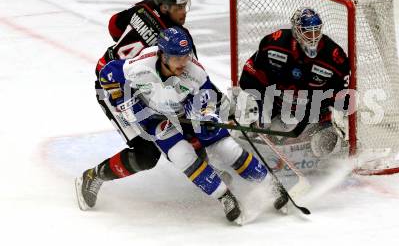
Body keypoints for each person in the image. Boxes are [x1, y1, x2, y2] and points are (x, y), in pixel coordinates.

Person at [76, 27, 289, 223]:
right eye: (177, 57)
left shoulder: (195, 73)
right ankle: (224, 197)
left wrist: (207, 118)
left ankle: (270, 184)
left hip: (186, 109)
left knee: (227, 147)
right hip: (153, 116)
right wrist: (124, 102)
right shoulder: (140, 66)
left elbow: (206, 103)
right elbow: (108, 74)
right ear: (163, 55)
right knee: (180, 155)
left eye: (185, 56)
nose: (183, 62)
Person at [85, 0, 202, 210]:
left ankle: (209, 171)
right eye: (178, 7)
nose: (183, 12)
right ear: (165, 7)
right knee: (145, 154)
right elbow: (187, 75)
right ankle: (93, 176)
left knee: (184, 128)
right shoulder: (177, 36)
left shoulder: (144, 7)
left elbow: (114, 26)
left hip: (132, 79)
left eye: (185, 5)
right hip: (113, 87)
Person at [239, 7, 350, 156]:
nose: (312, 37)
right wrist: (257, 107)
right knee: (249, 124)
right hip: (277, 105)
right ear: (297, 31)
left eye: (316, 31)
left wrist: (332, 116)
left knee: (321, 147)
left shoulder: (334, 57)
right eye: (307, 32)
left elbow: (344, 99)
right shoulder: (275, 43)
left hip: (310, 114)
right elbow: (249, 74)